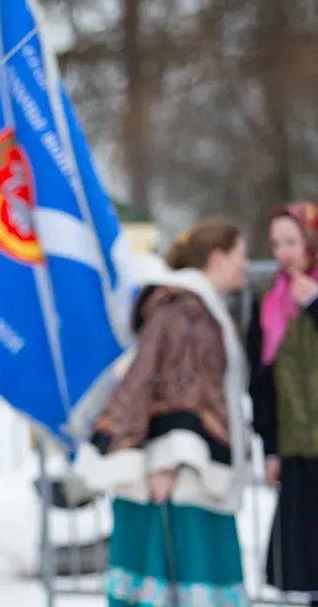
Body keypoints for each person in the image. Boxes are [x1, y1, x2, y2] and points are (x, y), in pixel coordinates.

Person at [75, 217, 251, 606]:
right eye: (241, 254)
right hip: (179, 478)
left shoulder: (186, 305)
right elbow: (175, 386)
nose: (245, 264)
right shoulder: (185, 310)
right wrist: (168, 464)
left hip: (184, 473)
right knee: (182, 582)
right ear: (217, 256)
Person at [247, 201, 318, 604]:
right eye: (276, 244)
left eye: (292, 241)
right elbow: (261, 385)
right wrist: (270, 447)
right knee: (308, 564)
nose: (283, 253)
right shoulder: (268, 304)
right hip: (298, 451)